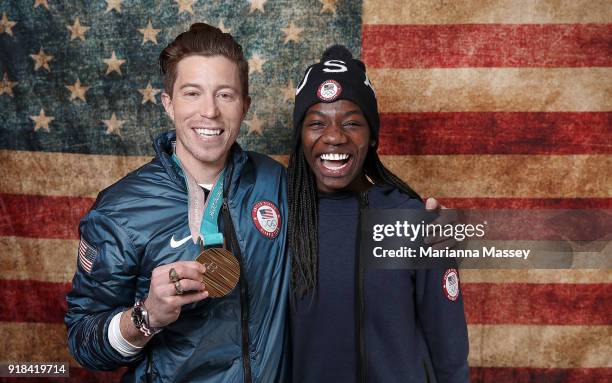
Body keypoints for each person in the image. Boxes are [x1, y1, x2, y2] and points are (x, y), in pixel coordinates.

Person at [65, 23, 290, 382]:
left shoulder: (275, 182)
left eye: (225, 95)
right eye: (192, 93)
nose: (210, 112)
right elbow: (82, 340)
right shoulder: (121, 211)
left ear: (245, 106)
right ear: (168, 104)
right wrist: (146, 316)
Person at [288, 45, 469, 382]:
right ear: (300, 136)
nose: (334, 137)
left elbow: (449, 347)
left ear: (371, 138)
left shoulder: (412, 220)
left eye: (352, 123)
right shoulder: (277, 218)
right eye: (316, 123)